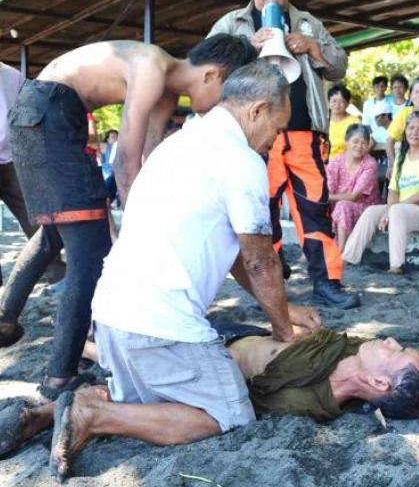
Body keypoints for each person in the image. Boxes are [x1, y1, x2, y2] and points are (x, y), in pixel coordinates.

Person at [36, 61, 323, 482]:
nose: (274, 143)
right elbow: (261, 260)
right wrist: (283, 332)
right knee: (230, 414)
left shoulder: (179, 143)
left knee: (157, 401)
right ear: (257, 110)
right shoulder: (241, 161)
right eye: (277, 130)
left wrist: (288, 308)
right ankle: (93, 414)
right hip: (157, 328)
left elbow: (242, 257)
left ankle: (55, 411)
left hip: (114, 320)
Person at [0, 36, 256, 401]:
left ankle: (6, 317)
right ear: (213, 75)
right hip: (48, 111)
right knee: (94, 251)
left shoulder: (166, 91)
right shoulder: (151, 66)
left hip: (43, 115)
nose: (221, 111)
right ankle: (59, 378)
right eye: (225, 100)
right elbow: (125, 163)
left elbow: (150, 162)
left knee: (57, 231)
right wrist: (137, 234)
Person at [0, 321, 419, 466]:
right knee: (130, 363)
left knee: (183, 400)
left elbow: (232, 398)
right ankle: (71, 379)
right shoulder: (349, 347)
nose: (389, 341)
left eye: (396, 351)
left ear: (380, 384)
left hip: (205, 361)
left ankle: (52, 409)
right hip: (223, 336)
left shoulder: (312, 403)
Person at [208, 0, 358, 309]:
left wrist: (314, 48)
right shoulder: (233, 23)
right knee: (262, 212)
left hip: (305, 133)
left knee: (315, 210)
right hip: (258, 137)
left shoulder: (307, 22)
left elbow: (340, 66)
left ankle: (327, 282)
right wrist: (247, 50)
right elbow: (205, 67)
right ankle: (270, 283)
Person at [344, 112, 419, 274]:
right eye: (411, 128)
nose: (414, 132)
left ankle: (396, 266)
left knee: (396, 210)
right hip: (403, 210)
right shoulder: (401, 157)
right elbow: (393, 191)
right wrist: (389, 209)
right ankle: (348, 257)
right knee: (371, 212)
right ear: (405, 130)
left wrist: (391, 210)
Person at [0, 62, 66, 288]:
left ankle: (56, 272)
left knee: (37, 216)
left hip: (15, 156)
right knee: (36, 216)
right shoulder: (13, 75)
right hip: (15, 154)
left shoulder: (13, 76)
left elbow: (27, 113)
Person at [327, 124, 381, 252]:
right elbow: (329, 186)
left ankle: (341, 251)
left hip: (365, 208)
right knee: (315, 207)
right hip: (336, 203)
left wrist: (326, 198)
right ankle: (309, 251)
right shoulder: (336, 161)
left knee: (343, 205)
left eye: (364, 143)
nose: (359, 146)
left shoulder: (370, 164)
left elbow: (354, 196)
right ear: (346, 141)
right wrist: (325, 199)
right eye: (355, 141)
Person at [327, 85, 360, 160]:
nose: (337, 105)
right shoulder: (322, 122)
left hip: (347, 163)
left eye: (341, 101)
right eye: (334, 101)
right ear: (328, 102)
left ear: (347, 104)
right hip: (324, 164)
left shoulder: (355, 122)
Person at [362, 76, 394, 146]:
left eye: (382, 86)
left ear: (386, 87)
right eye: (377, 86)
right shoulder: (367, 104)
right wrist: (372, 137)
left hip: (391, 135)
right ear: (373, 88)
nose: (380, 88)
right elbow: (366, 124)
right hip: (374, 138)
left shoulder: (392, 100)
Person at [100, 129, 119, 205]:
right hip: (108, 174)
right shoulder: (105, 146)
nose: (116, 139)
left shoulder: (119, 147)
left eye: (117, 137)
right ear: (107, 139)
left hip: (116, 174)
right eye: (113, 137)